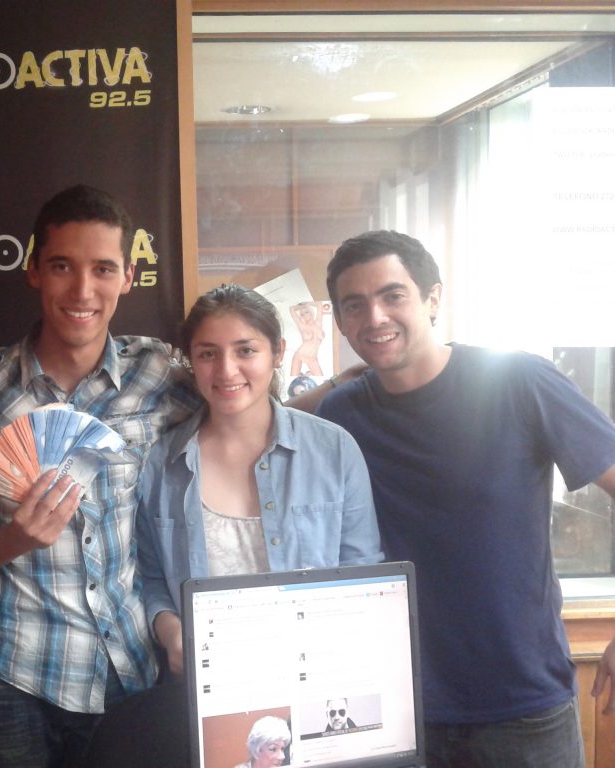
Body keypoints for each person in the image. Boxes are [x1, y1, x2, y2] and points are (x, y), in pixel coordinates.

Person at [0, 184, 199, 768]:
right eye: (62, 266)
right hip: (11, 675)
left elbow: (242, 398)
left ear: (128, 277)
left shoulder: (159, 374)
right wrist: (14, 539)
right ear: (34, 271)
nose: (82, 290)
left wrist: (335, 392)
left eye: (103, 269)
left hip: (130, 668)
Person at [314, 230, 615, 768]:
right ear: (338, 321)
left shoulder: (519, 380)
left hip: (522, 706)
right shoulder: (342, 414)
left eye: (393, 295)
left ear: (433, 298)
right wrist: (338, 379)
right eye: (354, 305)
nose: (375, 317)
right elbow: (260, 425)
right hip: (395, 712)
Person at [136, 284, 382, 678]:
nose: (226, 370)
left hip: (317, 673)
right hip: (208, 679)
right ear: (191, 360)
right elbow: (151, 579)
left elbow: (363, 571)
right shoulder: (160, 464)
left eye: (246, 350)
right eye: (208, 354)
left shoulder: (334, 450)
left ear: (278, 352)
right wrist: (171, 633)